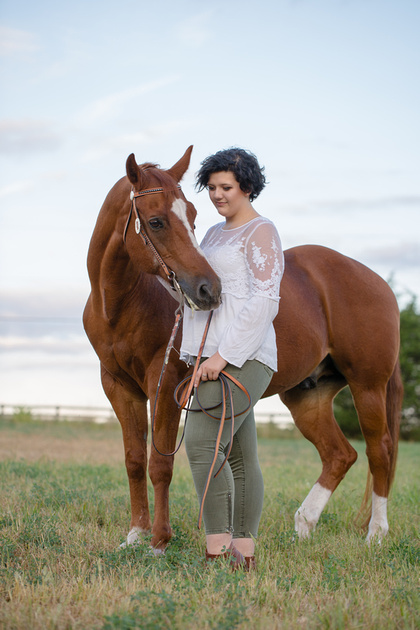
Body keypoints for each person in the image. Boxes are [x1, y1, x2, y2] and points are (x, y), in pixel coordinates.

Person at [180, 147, 284, 570]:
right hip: (210, 355)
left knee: (203, 444)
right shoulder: (211, 236)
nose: (217, 195)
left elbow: (265, 301)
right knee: (240, 456)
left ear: (247, 187)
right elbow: (204, 295)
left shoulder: (261, 231)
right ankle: (244, 555)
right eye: (211, 187)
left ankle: (218, 551)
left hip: (245, 355)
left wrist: (222, 357)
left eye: (226, 187)